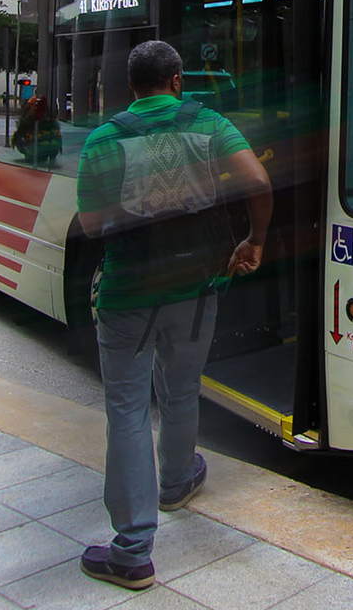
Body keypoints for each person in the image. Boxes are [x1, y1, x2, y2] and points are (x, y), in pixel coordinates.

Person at [74, 40, 271, 591]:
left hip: (126, 295)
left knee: (129, 409)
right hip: (196, 287)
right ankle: (178, 480)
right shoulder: (210, 125)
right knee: (182, 390)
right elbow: (257, 183)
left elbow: (91, 226)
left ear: (132, 87)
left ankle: (133, 550)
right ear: (178, 80)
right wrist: (253, 242)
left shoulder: (104, 139)